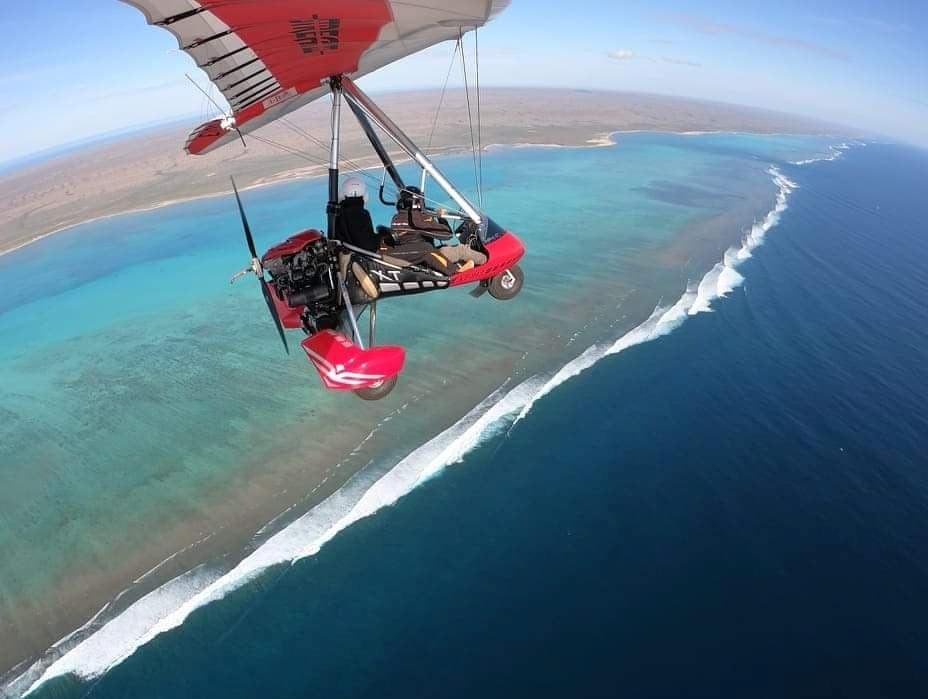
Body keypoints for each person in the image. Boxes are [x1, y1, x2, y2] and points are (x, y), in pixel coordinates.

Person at [385, 186, 487, 273]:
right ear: (416, 202)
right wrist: (440, 217)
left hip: (414, 256)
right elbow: (447, 235)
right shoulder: (417, 219)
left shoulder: (396, 218)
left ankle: (461, 263)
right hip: (427, 258)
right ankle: (486, 260)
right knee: (461, 250)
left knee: (445, 247)